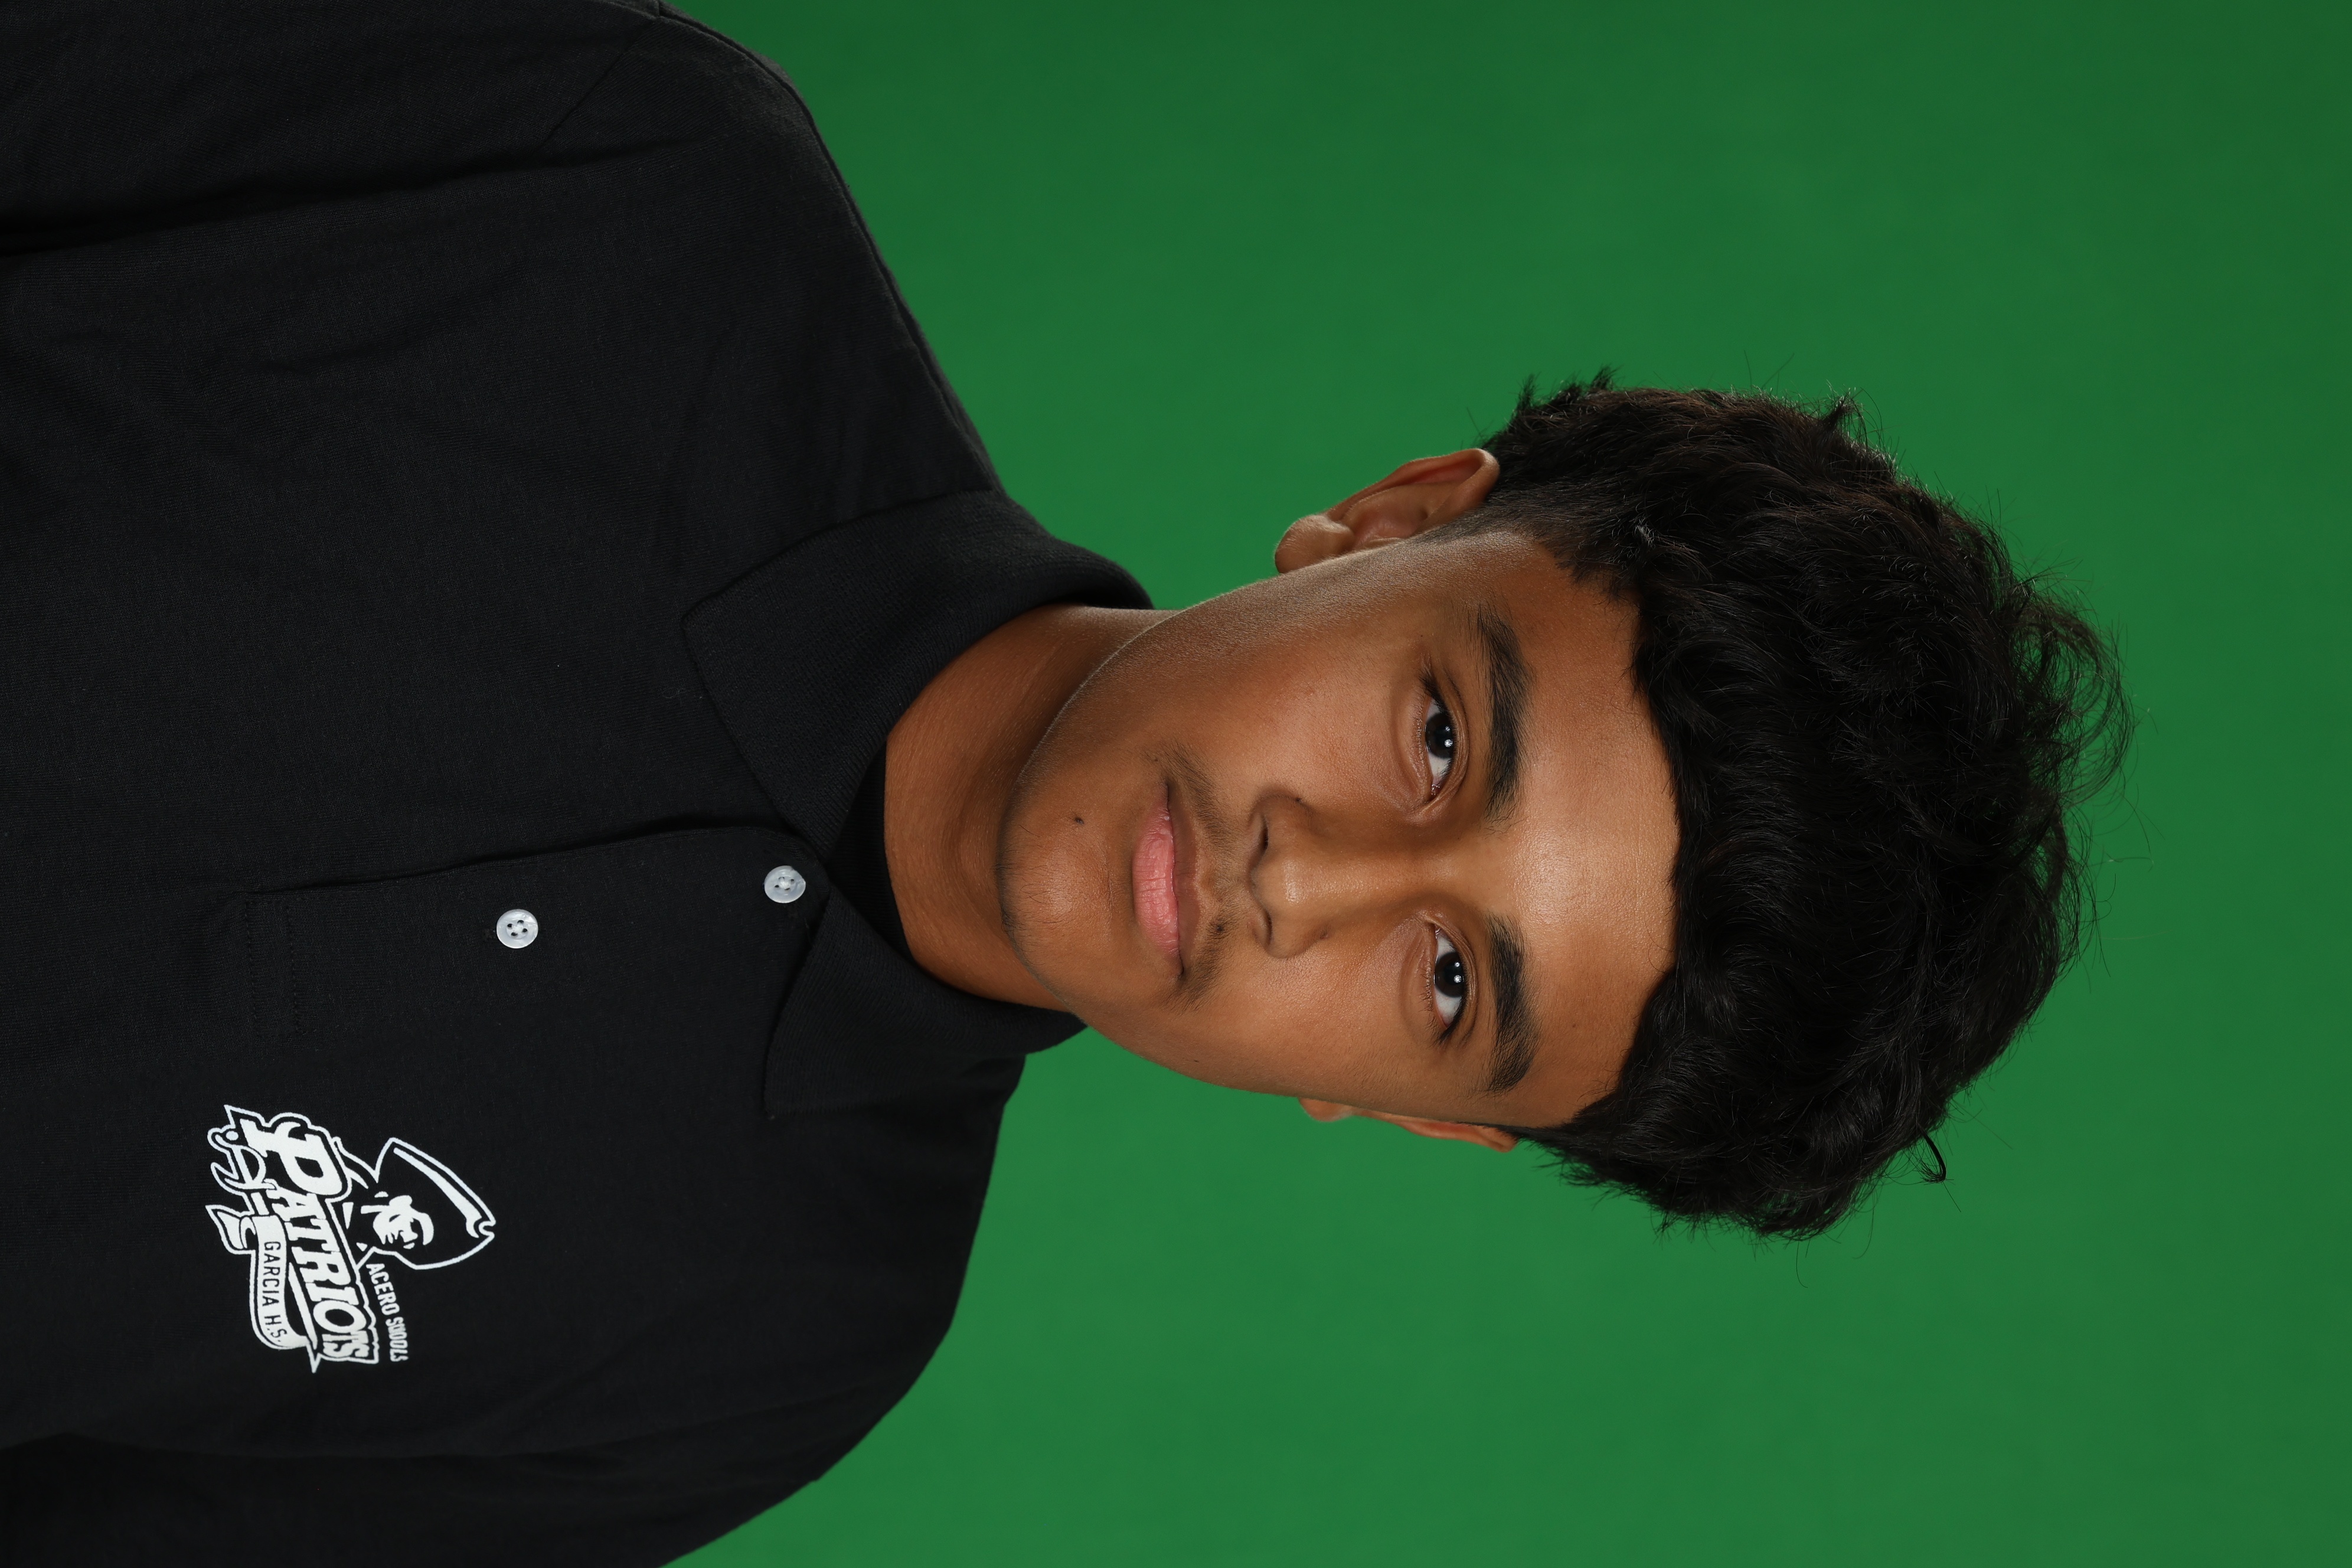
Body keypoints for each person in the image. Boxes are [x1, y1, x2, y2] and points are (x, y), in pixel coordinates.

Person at [0, 0, 2125, 1562]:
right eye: (1441, 737)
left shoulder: (766, 1358)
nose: (1313, 886)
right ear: (1394, 518)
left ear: (1404, 1111)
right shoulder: (628, 191)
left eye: (1452, 985)